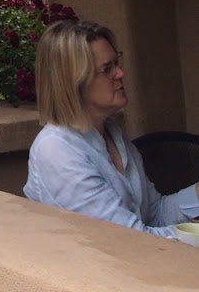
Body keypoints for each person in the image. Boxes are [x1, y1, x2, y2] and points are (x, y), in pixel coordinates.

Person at [24, 19, 199, 239]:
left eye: (117, 63)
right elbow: (129, 241)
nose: (120, 73)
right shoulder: (57, 151)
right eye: (107, 69)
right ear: (74, 82)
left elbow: (155, 214)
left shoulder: (112, 134)